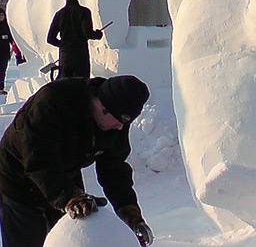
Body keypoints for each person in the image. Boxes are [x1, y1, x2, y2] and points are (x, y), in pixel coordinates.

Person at [0, 75, 154, 247]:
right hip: (18, 177)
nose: (120, 127)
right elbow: (38, 160)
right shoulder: (53, 102)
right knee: (27, 237)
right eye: (119, 121)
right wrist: (69, 198)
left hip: (64, 174)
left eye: (125, 123)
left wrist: (130, 213)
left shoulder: (116, 119)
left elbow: (114, 170)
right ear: (103, 106)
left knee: (72, 236)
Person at [47, 0, 103, 78]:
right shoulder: (84, 11)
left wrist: (64, 44)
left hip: (65, 55)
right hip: (80, 54)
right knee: (82, 84)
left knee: (66, 84)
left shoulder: (59, 14)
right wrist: (98, 34)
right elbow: (88, 33)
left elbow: (50, 39)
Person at [0, 8, 26, 95]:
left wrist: (18, 51)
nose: (1, 17)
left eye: (2, 15)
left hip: (4, 53)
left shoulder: (6, 27)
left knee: (2, 70)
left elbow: (12, 40)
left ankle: (0, 88)